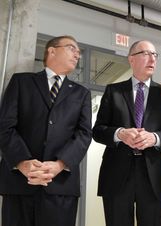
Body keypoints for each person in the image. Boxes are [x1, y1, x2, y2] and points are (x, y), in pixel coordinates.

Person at [0, 35, 92, 226]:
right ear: (52, 50)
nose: (78, 55)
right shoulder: (21, 82)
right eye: (71, 48)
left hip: (60, 186)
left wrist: (60, 164)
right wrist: (22, 162)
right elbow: (5, 125)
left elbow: (84, 134)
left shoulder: (81, 93)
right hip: (20, 183)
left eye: (78, 51)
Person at [93, 40, 161, 226]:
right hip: (117, 175)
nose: (152, 58)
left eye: (155, 54)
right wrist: (120, 133)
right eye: (146, 53)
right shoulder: (113, 91)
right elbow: (98, 131)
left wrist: (155, 138)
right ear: (131, 59)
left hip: (154, 176)